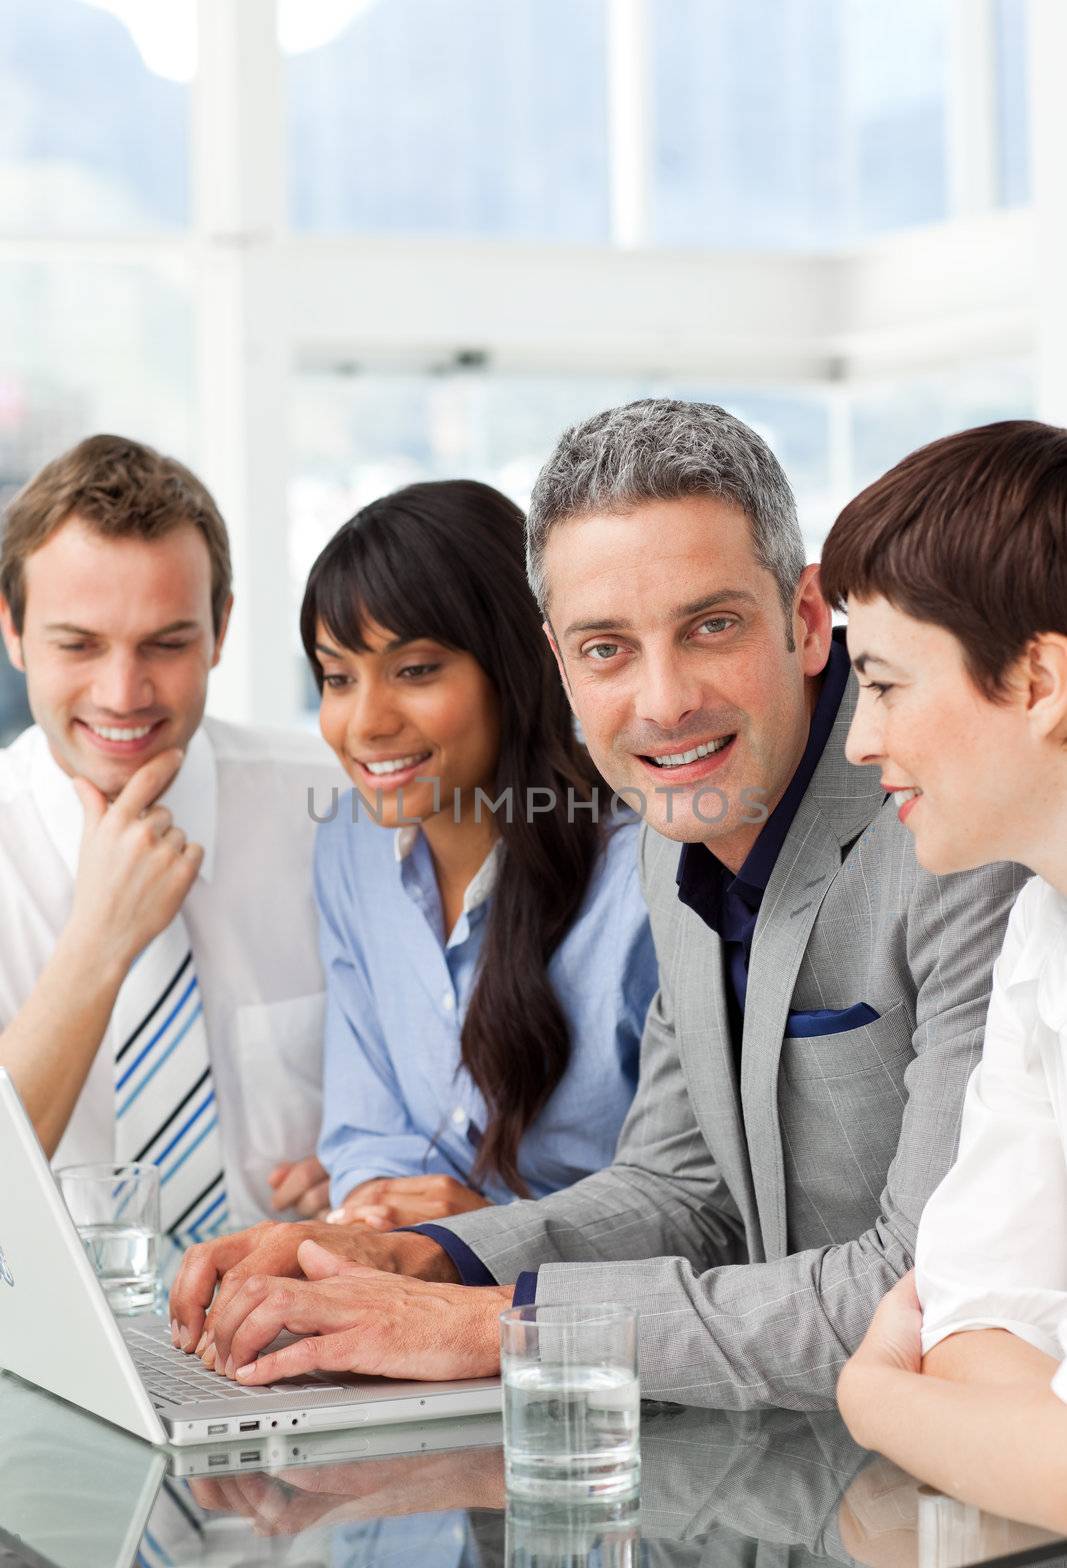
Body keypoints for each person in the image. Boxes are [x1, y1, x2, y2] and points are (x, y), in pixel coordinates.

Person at [169, 399, 1022, 1405]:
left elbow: (922, 1291)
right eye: (606, 647)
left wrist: (497, 1324)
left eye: (708, 626)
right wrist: (423, 1259)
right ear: (559, 661)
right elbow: (679, 1191)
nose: (662, 702)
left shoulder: (953, 828)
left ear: (801, 619)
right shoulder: (676, 831)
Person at [816, 421, 1067, 1534]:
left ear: (1037, 677)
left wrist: (876, 1402)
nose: (859, 741)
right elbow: (963, 1303)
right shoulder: (1040, 923)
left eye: (881, 683)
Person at [0, 434, 337, 1239]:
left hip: (300, 1330)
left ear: (221, 629)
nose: (123, 694)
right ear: (12, 630)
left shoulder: (340, 802)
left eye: (167, 643)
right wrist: (99, 943)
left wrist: (385, 1157)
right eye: (77, 644)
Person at [300, 479, 656, 1233]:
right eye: (337, 678)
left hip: (591, 1324)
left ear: (517, 663)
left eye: (416, 670)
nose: (365, 723)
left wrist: (484, 1231)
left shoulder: (647, 872)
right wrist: (379, 1217)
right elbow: (366, 1136)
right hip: (405, 1295)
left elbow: (694, 1204)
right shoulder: (347, 845)